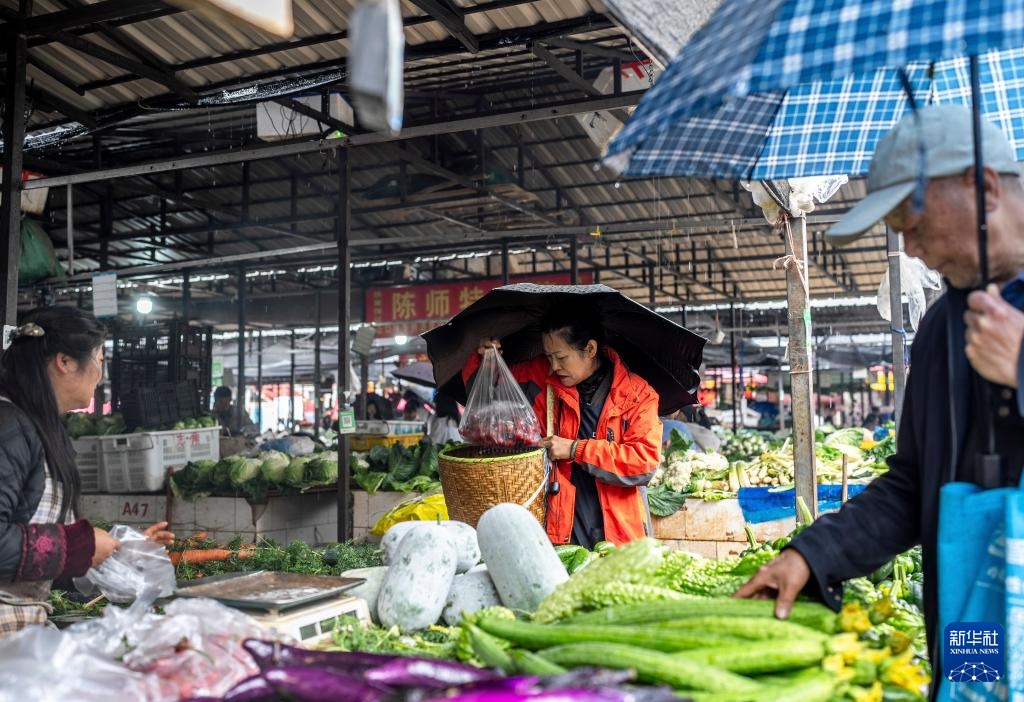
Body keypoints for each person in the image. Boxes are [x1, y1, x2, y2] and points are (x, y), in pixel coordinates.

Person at [736, 105, 1024, 680]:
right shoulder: (943, 328)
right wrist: (813, 553)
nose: (909, 248)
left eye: (912, 222)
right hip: (975, 614)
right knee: (974, 692)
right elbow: (912, 482)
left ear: (984, 186)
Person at [0, 307, 174, 637]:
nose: (100, 374)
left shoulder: (42, 430)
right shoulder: (8, 428)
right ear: (64, 362)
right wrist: (78, 545)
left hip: (21, 633)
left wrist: (118, 553)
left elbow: (38, 560)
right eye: (100, 359)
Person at [465, 305, 662, 548]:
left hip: (621, 535)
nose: (554, 366)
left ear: (590, 349)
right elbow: (487, 395)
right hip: (559, 530)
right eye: (549, 356)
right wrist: (485, 360)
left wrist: (574, 449)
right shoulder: (540, 377)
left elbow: (643, 463)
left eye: (561, 357)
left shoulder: (637, 395)